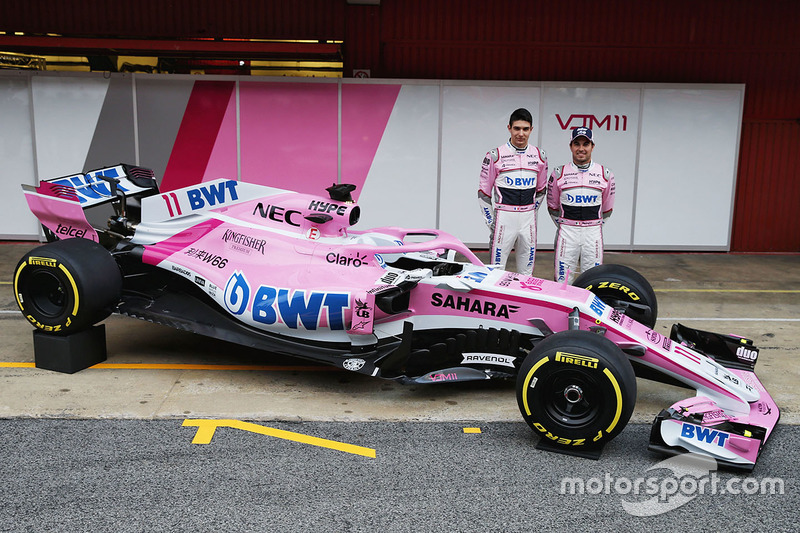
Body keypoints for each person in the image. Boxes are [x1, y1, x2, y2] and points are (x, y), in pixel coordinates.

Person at [477, 108, 548, 276]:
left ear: (531, 129)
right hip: (504, 219)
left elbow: (541, 190)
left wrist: (531, 212)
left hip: (528, 220)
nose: (521, 133)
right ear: (509, 127)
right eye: (517, 128)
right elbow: (483, 194)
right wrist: (491, 222)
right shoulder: (495, 155)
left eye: (525, 129)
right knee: (495, 271)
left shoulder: (540, 156)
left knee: (526, 273)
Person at [547, 126, 616, 283]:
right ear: (571, 146)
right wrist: (566, 225)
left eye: (586, 144)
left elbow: (607, 208)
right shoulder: (558, 173)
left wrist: (594, 225)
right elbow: (552, 206)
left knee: (593, 278)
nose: (581, 148)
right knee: (562, 280)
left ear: (592, 147)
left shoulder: (605, 174)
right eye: (577, 144)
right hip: (567, 232)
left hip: (593, 233)